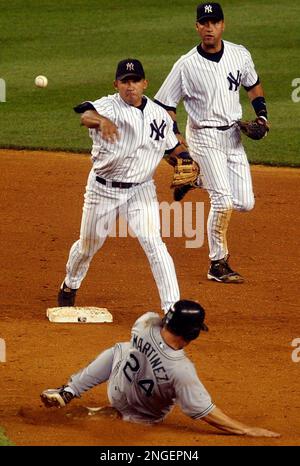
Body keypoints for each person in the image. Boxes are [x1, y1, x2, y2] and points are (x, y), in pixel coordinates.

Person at [58, 58, 194, 312]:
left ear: (145, 83)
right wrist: (102, 122)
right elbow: (86, 115)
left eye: (135, 81)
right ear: (117, 84)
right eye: (125, 81)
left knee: (155, 245)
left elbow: (172, 147)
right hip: (102, 190)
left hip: (140, 191)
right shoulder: (107, 106)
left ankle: (172, 309)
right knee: (88, 245)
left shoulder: (159, 116)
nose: (130, 86)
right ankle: (70, 283)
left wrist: (186, 160)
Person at [41, 300, 279, 438]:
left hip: (117, 385)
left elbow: (156, 321)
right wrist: (246, 429)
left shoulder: (145, 323)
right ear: (192, 334)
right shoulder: (181, 369)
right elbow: (205, 412)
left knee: (120, 350)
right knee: (156, 391)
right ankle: (118, 416)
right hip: (141, 414)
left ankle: (70, 390)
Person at [154, 3, 269, 284]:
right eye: (204, 23)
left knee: (244, 202)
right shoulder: (186, 64)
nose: (209, 27)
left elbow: (253, 86)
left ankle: (197, 179)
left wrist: (262, 117)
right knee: (223, 201)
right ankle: (217, 263)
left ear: (222, 25)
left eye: (214, 22)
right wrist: (176, 136)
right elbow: (165, 104)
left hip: (232, 135)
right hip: (203, 136)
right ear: (197, 27)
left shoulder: (239, 54)